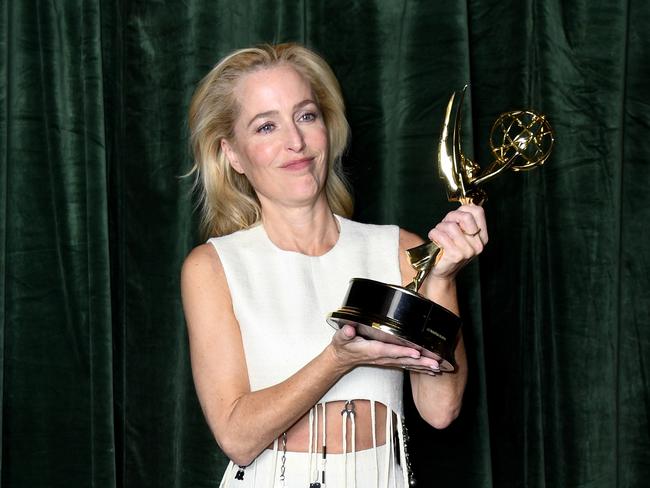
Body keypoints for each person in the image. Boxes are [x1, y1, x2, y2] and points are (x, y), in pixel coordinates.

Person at [181, 43, 487, 488]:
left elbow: (441, 411)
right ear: (232, 155)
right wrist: (337, 359)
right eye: (266, 126)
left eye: (306, 115)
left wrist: (441, 279)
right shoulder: (213, 267)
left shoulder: (401, 251)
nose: (295, 142)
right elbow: (237, 436)